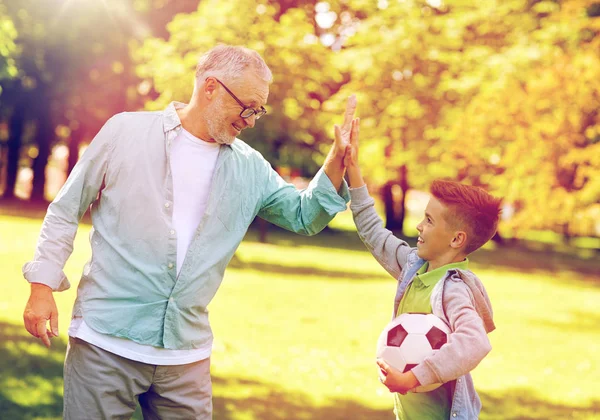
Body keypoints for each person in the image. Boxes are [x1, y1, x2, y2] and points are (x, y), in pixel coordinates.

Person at [22, 45, 356, 419]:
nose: (251, 120)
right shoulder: (124, 132)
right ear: (211, 87)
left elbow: (304, 215)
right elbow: (66, 209)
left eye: (258, 110)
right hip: (104, 342)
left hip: (186, 357)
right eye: (247, 107)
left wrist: (336, 161)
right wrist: (42, 285)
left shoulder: (250, 167)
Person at [342, 119, 501, 420]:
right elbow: (374, 234)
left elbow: (475, 341)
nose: (418, 225)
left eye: (429, 220)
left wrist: (413, 378)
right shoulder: (415, 267)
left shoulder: (453, 291)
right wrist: (353, 171)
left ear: (456, 239)